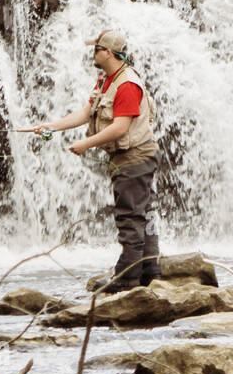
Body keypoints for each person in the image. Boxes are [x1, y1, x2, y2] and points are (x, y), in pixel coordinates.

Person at [20, 30, 162, 293]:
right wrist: (50, 126)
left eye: (96, 49)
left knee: (130, 216)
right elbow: (87, 113)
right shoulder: (106, 80)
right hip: (132, 157)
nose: (93, 53)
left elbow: (120, 127)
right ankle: (150, 270)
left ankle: (128, 277)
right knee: (144, 211)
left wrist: (86, 144)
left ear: (108, 52)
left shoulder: (127, 85)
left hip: (135, 158)